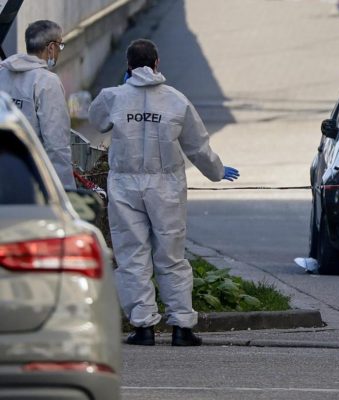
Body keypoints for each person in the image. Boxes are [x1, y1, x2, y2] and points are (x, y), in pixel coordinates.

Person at [89, 39, 240, 346]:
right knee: (171, 256)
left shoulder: (114, 97)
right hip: (166, 187)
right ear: (157, 63)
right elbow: (197, 146)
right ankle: (182, 326)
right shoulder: (176, 101)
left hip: (125, 185)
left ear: (128, 67)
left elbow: (96, 119)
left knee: (132, 255)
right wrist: (216, 171)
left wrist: (120, 88)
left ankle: (143, 326)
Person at [0, 20, 75, 188]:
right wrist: (67, 191)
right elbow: (56, 144)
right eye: (60, 46)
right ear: (51, 47)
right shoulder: (47, 82)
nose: (58, 52)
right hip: (30, 179)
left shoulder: (2, 73)